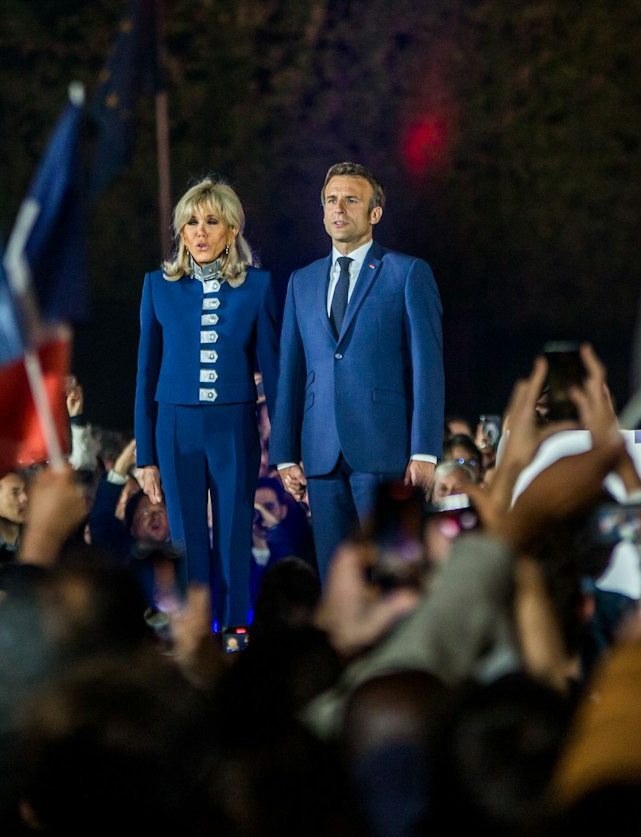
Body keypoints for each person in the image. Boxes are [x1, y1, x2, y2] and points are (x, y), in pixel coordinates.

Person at [271, 161, 444, 577]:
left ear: (375, 212)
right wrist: (284, 453)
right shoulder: (301, 282)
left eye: (351, 200)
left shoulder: (407, 273)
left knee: (386, 572)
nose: (339, 208)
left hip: (383, 449)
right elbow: (290, 372)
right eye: (331, 200)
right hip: (320, 453)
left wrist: (424, 451)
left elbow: (427, 367)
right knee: (335, 575)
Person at [133, 176, 280, 629]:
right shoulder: (157, 286)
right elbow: (145, 375)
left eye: (211, 222)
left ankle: (235, 633)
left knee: (234, 539)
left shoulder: (257, 286)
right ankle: (194, 634)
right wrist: (145, 456)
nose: (199, 232)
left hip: (234, 427)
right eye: (191, 222)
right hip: (175, 428)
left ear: (231, 230)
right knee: (187, 541)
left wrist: (287, 449)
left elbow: (274, 374)